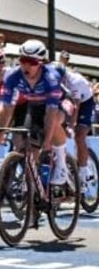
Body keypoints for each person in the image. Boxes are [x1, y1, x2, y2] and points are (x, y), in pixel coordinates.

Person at [0, 39, 68, 186]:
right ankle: (31, 181)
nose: (26, 66)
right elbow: (6, 107)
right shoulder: (12, 76)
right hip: (33, 105)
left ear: (40, 63)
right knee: (27, 142)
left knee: (55, 123)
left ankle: (61, 163)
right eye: (23, 61)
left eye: (32, 62)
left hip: (58, 104)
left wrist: (47, 141)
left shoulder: (50, 78)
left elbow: (51, 113)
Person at [50, 60, 97, 198]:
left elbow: (75, 107)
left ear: (64, 77)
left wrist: (71, 126)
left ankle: (83, 171)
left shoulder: (75, 82)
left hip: (84, 103)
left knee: (79, 135)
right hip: (66, 101)